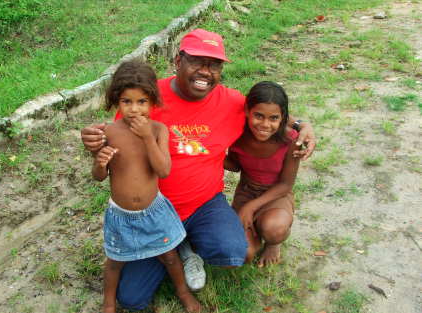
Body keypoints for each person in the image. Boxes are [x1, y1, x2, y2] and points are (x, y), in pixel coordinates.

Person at [81, 29, 316, 310]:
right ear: (178, 61)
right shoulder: (148, 98)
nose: (205, 71)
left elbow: (270, 114)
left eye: (214, 64)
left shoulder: (232, 103)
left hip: (204, 203)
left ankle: (188, 243)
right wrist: (95, 141)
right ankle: (180, 247)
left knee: (235, 252)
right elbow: (117, 135)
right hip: (154, 211)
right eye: (197, 61)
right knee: (132, 298)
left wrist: (304, 126)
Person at [92, 60, 201, 313]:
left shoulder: (159, 130)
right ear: (116, 102)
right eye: (126, 101)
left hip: (154, 212)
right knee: (114, 262)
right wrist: (99, 162)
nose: (134, 109)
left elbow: (163, 170)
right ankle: (108, 305)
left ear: (153, 102)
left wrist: (146, 138)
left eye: (141, 101)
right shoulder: (109, 131)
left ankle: (183, 293)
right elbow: (98, 176)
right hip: (121, 215)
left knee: (170, 256)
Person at [224, 81, 300, 267]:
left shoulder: (291, 141)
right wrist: (212, 155)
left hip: (277, 195)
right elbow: (235, 166)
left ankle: (273, 243)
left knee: (274, 229)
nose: (265, 124)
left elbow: (285, 185)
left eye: (273, 118)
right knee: (243, 253)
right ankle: (255, 235)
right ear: (248, 111)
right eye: (258, 116)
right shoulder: (238, 134)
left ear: (283, 117)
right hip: (246, 193)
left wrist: (250, 207)